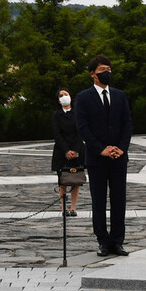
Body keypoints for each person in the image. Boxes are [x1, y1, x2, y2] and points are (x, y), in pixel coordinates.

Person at [75, 55, 133, 257]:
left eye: (109, 68)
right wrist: (101, 149)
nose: (106, 72)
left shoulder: (120, 95)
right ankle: (102, 240)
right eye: (102, 69)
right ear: (93, 74)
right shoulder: (83, 98)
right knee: (98, 201)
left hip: (118, 158)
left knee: (119, 200)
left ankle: (117, 241)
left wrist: (121, 148)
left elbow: (127, 124)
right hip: (97, 159)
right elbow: (83, 128)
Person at [51, 88, 85, 217]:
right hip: (61, 151)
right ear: (58, 100)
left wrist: (75, 150)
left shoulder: (78, 113)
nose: (64, 97)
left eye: (66, 94)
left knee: (75, 179)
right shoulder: (56, 115)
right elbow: (57, 133)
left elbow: (80, 132)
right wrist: (66, 150)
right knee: (63, 180)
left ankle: (73, 207)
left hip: (77, 149)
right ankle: (63, 208)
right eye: (61, 95)